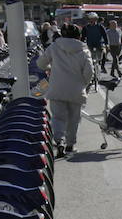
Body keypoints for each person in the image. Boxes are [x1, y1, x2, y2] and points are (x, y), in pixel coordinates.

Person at [36, 22, 95, 159]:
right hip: (76, 90)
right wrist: (83, 84)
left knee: (58, 118)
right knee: (74, 119)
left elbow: (40, 63)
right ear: (78, 36)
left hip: (57, 88)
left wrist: (51, 68)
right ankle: (70, 145)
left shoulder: (54, 47)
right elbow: (89, 72)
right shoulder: (84, 50)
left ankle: (59, 142)